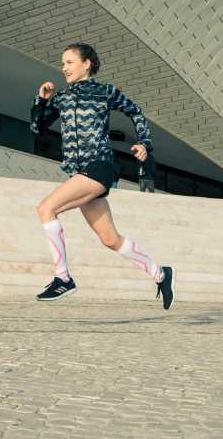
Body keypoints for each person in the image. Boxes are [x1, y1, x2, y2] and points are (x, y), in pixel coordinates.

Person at [30, 43, 175, 309]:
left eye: (70, 62)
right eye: (63, 63)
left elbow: (136, 111)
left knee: (46, 208)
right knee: (110, 239)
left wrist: (145, 143)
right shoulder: (61, 98)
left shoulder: (104, 92)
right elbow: (37, 127)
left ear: (87, 64)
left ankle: (63, 279)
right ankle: (161, 273)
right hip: (80, 172)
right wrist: (42, 100)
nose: (64, 68)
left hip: (100, 166)